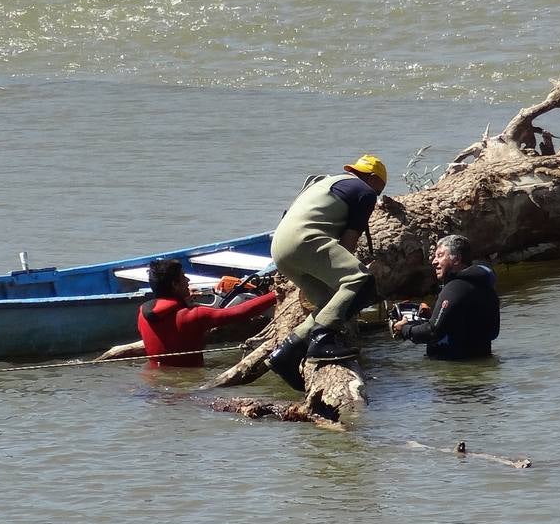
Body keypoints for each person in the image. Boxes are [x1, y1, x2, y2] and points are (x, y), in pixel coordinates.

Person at [265, 154, 388, 390]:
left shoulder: (326, 183)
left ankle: (286, 354)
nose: (377, 195)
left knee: (329, 303)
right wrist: (352, 273)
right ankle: (322, 340)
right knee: (362, 282)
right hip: (304, 241)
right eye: (379, 190)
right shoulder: (365, 191)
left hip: (279, 249)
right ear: (373, 179)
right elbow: (348, 243)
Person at [137, 258, 278, 368]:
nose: (188, 280)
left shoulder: (143, 313)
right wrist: (275, 294)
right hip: (188, 383)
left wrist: (182, 300)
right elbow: (239, 312)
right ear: (175, 284)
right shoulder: (194, 315)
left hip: (153, 379)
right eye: (183, 277)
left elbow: (170, 331)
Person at [390, 234, 499, 360]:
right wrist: (431, 317)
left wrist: (404, 329)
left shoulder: (455, 288)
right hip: (482, 361)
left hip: (453, 367)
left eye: (440, 255)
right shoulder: (483, 284)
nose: (434, 261)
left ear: (456, 259)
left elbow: (432, 332)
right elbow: (466, 327)